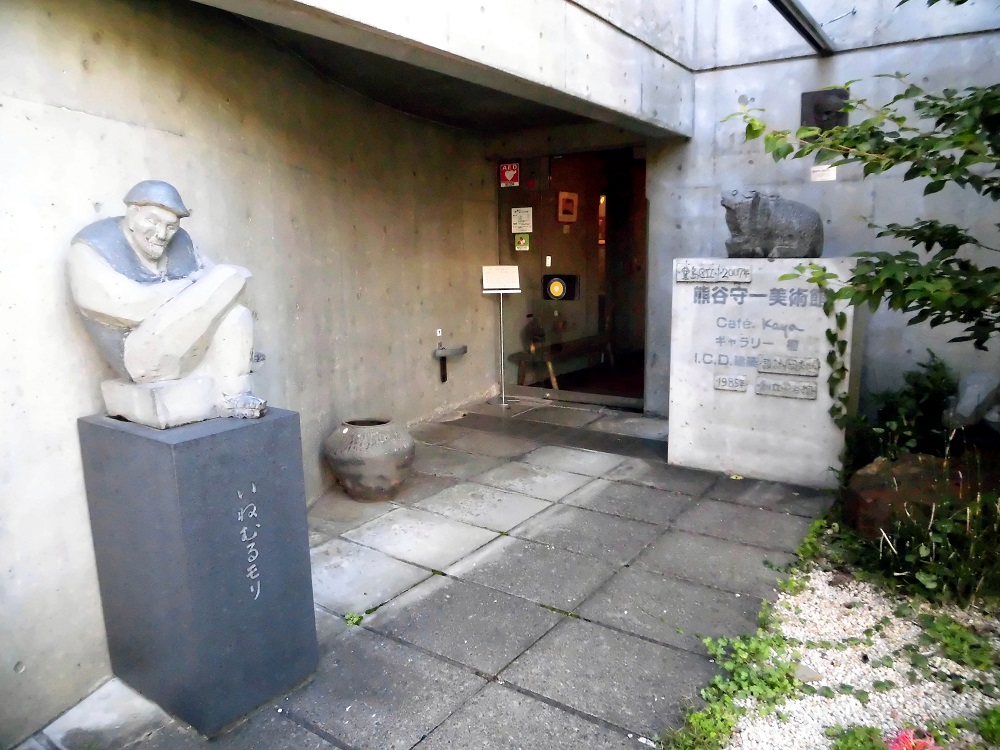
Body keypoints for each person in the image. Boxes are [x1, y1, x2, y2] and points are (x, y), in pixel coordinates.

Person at [68, 180, 265, 427]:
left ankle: (233, 395)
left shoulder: (181, 242)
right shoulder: (92, 246)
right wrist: (189, 285)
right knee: (229, 277)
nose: (161, 234)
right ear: (133, 212)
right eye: (152, 221)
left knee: (235, 309)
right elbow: (126, 305)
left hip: (188, 344)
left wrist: (198, 286)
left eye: (171, 226)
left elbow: (212, 281)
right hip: (140, 355)